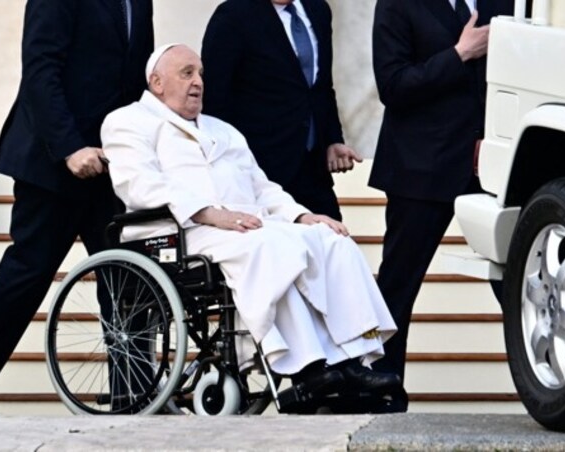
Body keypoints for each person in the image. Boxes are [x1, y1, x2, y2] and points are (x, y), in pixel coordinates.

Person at [101, 44, 399, 403]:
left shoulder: (222, 129)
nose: (198, 82)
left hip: (242, 226)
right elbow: (139, 184)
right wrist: (209, 213)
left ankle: (352, 359)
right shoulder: (127, 121)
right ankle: (308, 369)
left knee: (329, 238)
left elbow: (262, 187)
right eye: (187, 73)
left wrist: (303, 216)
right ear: (157, 82)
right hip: (178, 232)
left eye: (200, 74)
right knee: (271, 247)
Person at [0, 0, 154, 415]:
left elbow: (137, 83)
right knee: (27, 275)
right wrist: (69, 147)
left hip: (109, 167)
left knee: (128, 277)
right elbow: (41, 70)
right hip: (52, 162)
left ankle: (132, 394)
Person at [369, 0, 517, 412]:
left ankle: (558, 384)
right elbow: (393, 86)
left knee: (520, 282)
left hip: (490, 166)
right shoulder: (396, 4)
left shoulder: (505, 2)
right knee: (398, 287)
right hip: (420, 169)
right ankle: (383, 392)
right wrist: (459, 54)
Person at [201, 0, 361, 221]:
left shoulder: (318, 10)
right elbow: (215, 97)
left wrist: (333, 139)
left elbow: (320, 86)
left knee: (333, 241)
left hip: (312, 166)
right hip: (260, 168)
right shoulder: (233, 14)